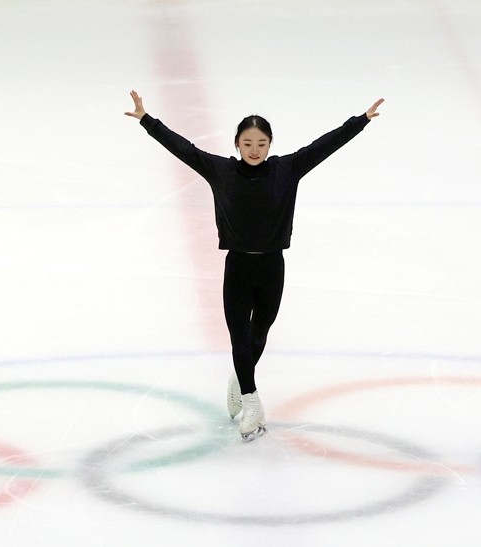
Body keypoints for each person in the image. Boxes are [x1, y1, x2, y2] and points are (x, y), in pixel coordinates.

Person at [125, 90, 383, 441]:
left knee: (258, 334)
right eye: (248, 142)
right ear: (237, 144)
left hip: (272, 267)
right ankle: (252, 403)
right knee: (238, 337)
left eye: (261, 143)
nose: (255, 149)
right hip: (238, 268)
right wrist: (146, 120)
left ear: (270, 143)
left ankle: (239, 378)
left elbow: (326, 145)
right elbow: (183, 149)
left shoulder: (286, 169)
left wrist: (361, 121)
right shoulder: (221, 170)